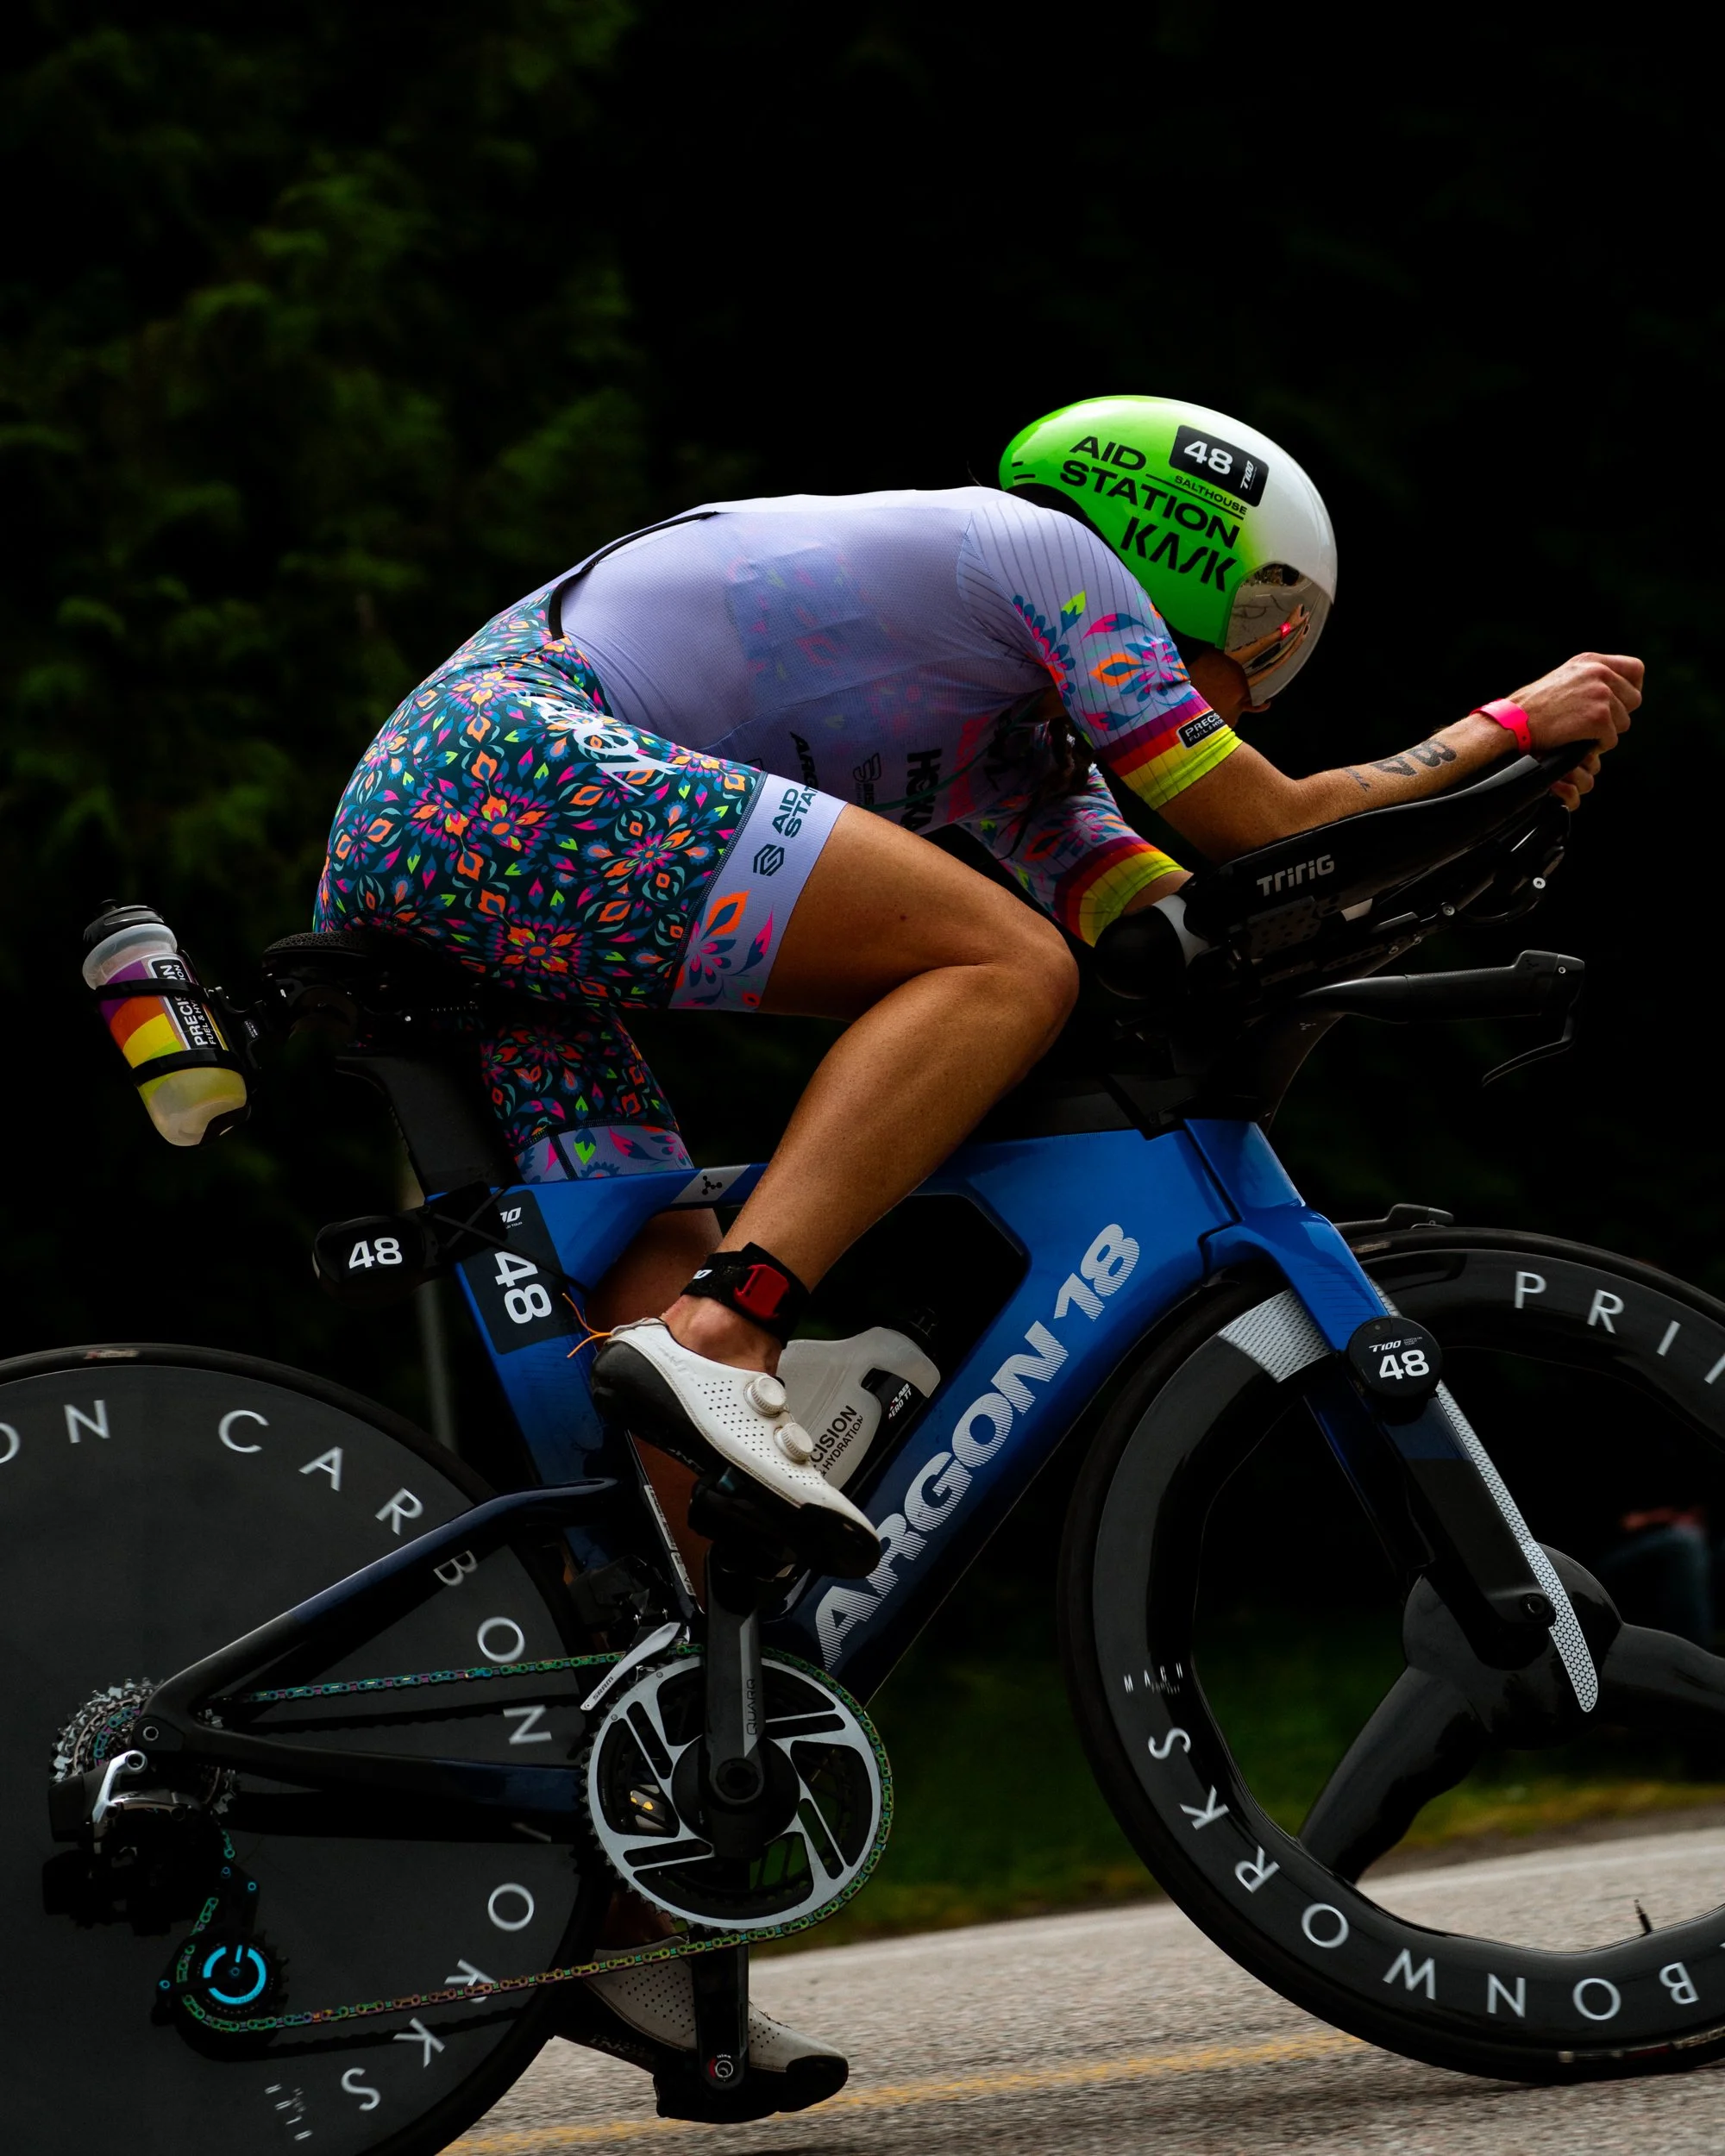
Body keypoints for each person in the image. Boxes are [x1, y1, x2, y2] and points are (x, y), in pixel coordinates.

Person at [314, 392, 1641, 2117]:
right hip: (504, 767)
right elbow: (1262, 819)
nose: (1248, 685)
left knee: (665, 1311)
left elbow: (1183, 922)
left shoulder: (1008, 753)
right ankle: (732, 1328)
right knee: (996, 972)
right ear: (1186, 562)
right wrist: (1504, 732)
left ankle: (637, 1906)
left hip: (456, 815)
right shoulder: (1045, 558)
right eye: (1260, 638)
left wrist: (1470, 845)